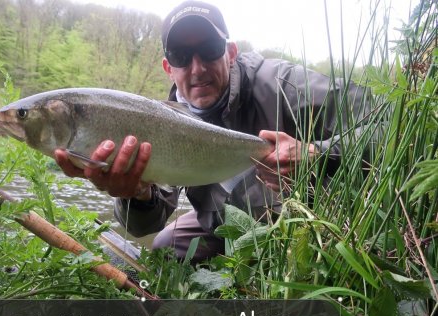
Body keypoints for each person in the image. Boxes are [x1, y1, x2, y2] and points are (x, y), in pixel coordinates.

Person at [55, 0, 368, 262]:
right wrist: (136, 193)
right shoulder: (159, 122)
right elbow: (145, 224)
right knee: (164, 247)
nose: (197, 68)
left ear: (230, 52)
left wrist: (315, 153)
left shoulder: (282, 84)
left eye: (209, 48)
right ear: (168, 67)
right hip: (223, 229)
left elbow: (387, 120)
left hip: (305, 225)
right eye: (180, 55)